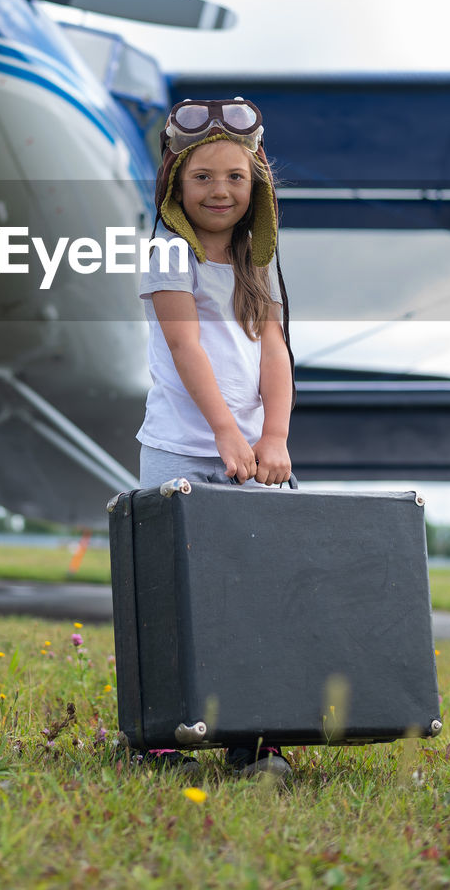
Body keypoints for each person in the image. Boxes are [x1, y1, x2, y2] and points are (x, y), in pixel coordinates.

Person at [136, 97, 295, 779]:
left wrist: (275, 438)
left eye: (234, 176)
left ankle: (259, 737)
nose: (220, 190)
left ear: (255, 181)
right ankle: (164, 734)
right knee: (169, 595)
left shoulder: (258, 261)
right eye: (202, 177)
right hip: (182, 447)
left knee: (264, 592)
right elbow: (184, 344)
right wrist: (226, 432)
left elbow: (275, 351)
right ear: (175, 183)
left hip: (259, 459)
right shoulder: (167, 253)